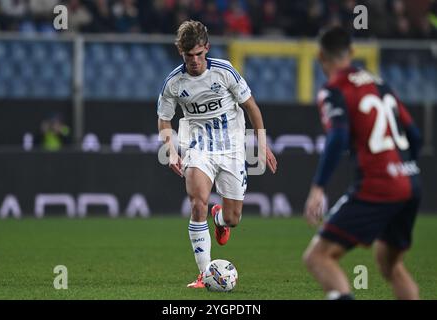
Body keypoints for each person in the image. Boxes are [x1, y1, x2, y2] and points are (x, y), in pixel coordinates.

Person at [303, 26, 422, 300]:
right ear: (352, 52)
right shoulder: (379, 84)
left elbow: (338, 137)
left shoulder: (333, 90)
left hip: (379, 185)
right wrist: (407, 169)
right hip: (411, 183)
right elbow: (414, 135)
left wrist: (318, 187)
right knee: (390, 264)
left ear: (321, 56)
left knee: (318, 257)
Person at [157, 20, 277, 288]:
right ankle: (203, 274)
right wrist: (171, 149)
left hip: (233, 149)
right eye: (189, 56)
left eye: (199, 55)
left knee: (234, 219)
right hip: (199, 147)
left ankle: (219, 218)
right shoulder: (174, 83)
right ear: (181, 52)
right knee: (197, 202)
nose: (195, 61)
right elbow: (164, 119)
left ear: (207, 49)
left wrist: (262, 144)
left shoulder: (225, 72)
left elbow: (252, 108)